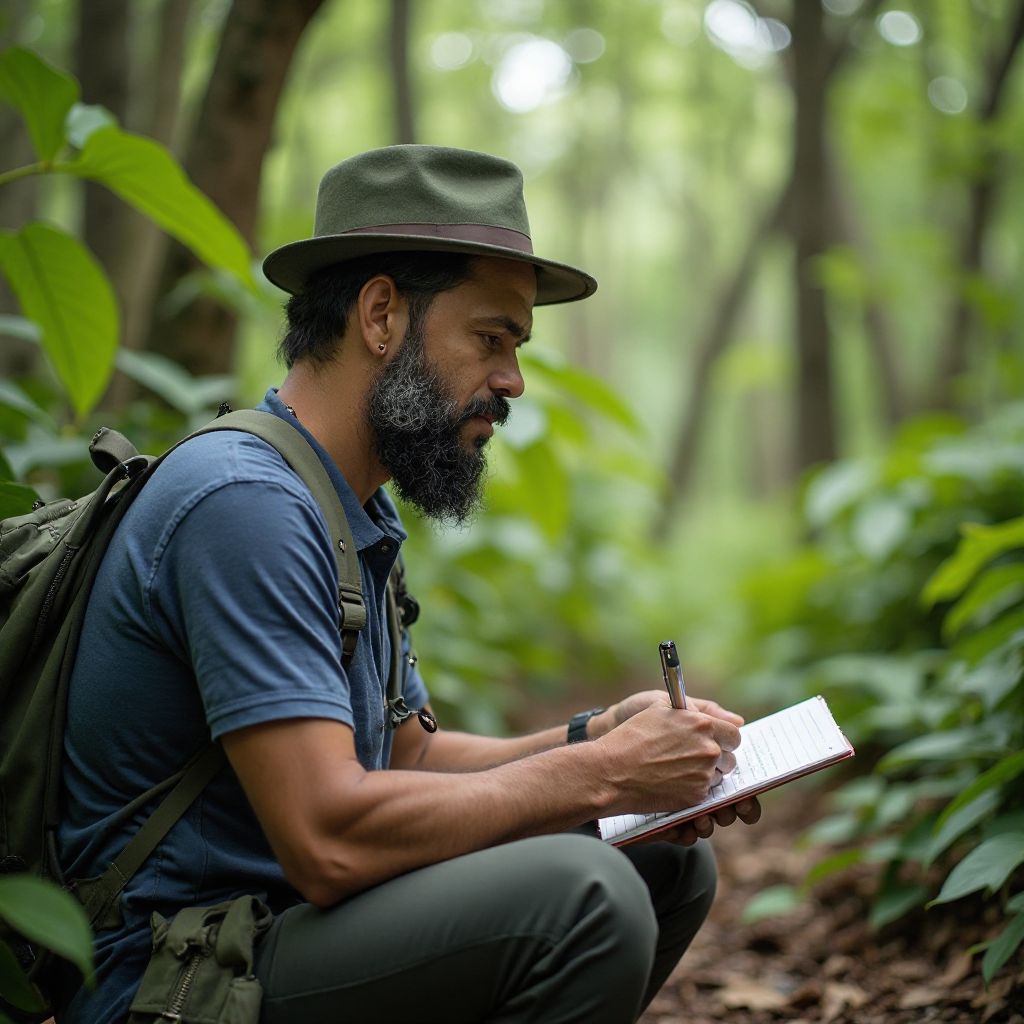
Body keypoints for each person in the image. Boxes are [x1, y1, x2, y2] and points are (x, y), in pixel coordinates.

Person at [59, 145, 760, 1024]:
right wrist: (605, 775)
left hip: (278, 934)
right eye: (491, 337)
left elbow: (407, 757)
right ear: (381, 313)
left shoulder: (345, 508)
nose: (512, 380)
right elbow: (327, 837)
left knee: (661, 857)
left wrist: (593, 736)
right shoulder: (245, 504)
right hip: (177, 978)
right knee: (583, 894)